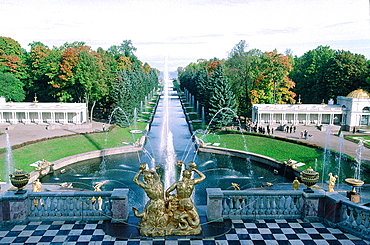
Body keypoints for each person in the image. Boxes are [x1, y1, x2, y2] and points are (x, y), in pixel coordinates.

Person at [165, 162, 206, 232]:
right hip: (188, 202)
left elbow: (167, 191)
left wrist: (171, 197)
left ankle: (182, 224)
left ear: (182, 175)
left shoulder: (177, 183)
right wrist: (194, 170)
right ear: (190, 176)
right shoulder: (192, 182)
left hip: (180, 203)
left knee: (178, 214)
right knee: (195, 219)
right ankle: (185, 224)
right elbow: (203, 177)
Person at [132, 163, 168, 236]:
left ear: (145, 179)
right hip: (161, 203)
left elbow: (135, 180)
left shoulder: (146, 186)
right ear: (152, 177)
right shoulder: (158, 182)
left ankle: (141, 217)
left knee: (149, 217)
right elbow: (155, 173)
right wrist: (148, 170)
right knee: (160, 216)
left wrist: (141, 171)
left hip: (153, 204)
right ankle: (159, 226)